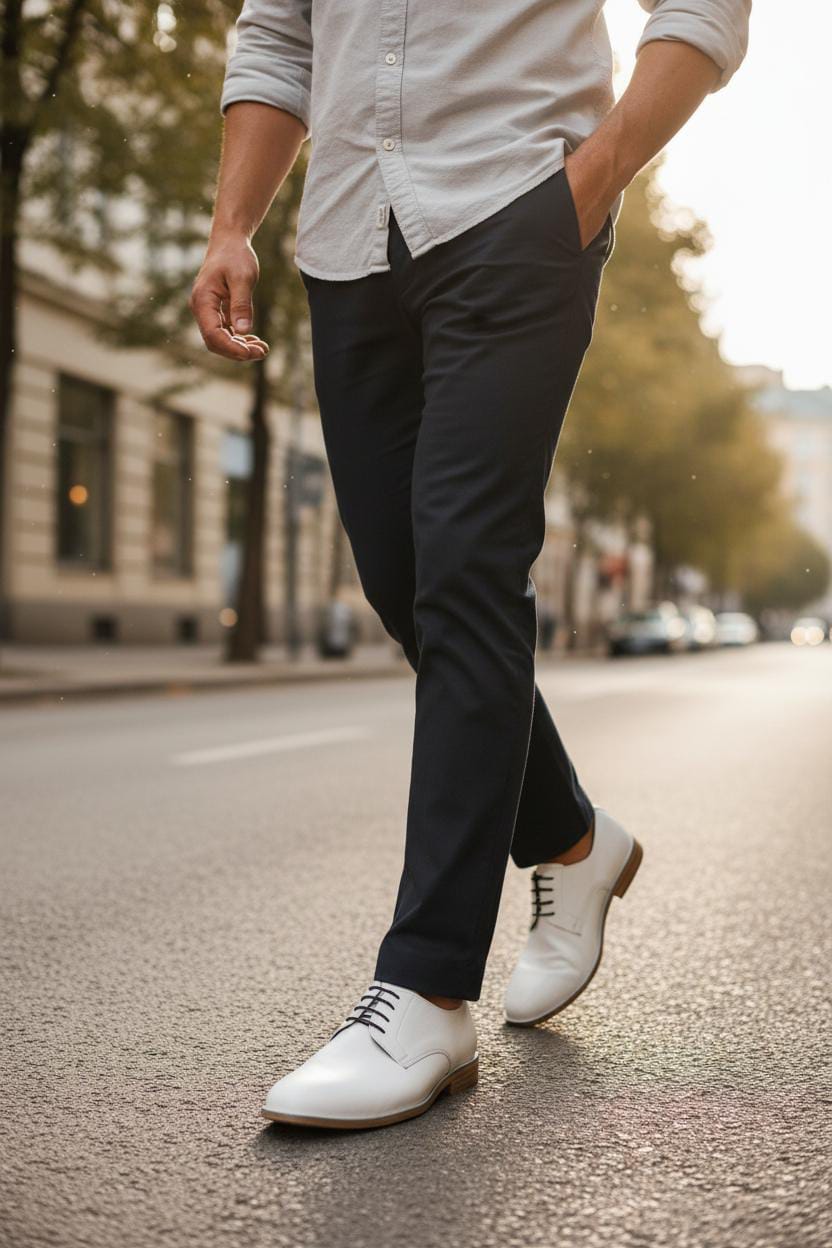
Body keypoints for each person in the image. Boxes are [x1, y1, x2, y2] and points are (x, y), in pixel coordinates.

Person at [191, 0, 750, 1130]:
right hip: (348, 233)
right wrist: (231, 224)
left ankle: (427, 989)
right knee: (404, 580)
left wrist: (595, 173)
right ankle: (573, 840)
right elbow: (278, 38)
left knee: (464, 567)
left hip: (516, 207)